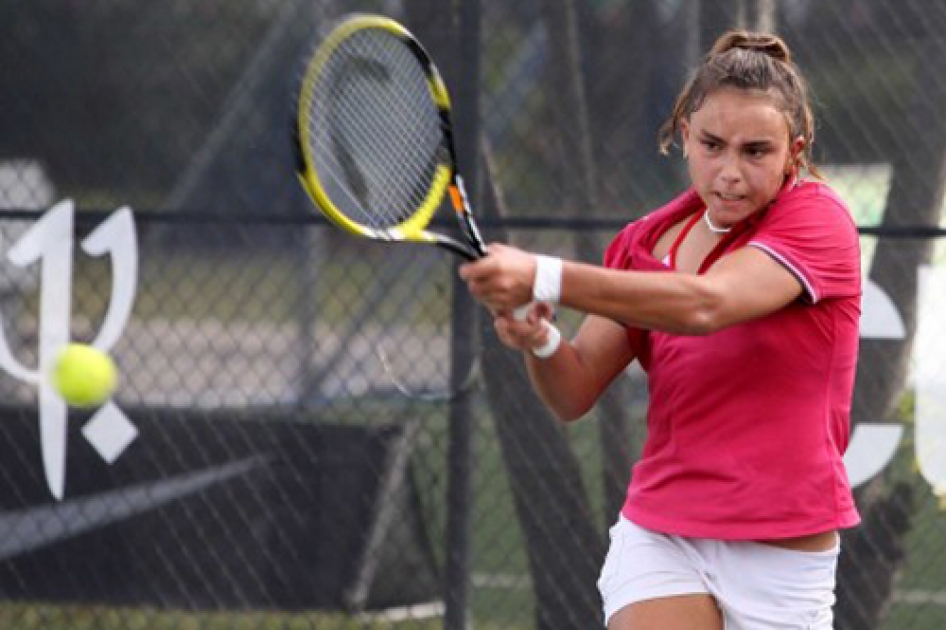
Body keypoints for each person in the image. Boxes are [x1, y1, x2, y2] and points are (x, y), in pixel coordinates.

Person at [459, 29, 861, 630]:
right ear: (682, 137)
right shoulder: (645, 241)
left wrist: (544, 275)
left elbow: (707, 304)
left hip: (780, 550)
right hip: (663, 530)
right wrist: (540, 339)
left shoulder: (819, 221)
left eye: (756, 151)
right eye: (712, 145)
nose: (730, 171)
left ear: (793, 152)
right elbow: (572, 391)